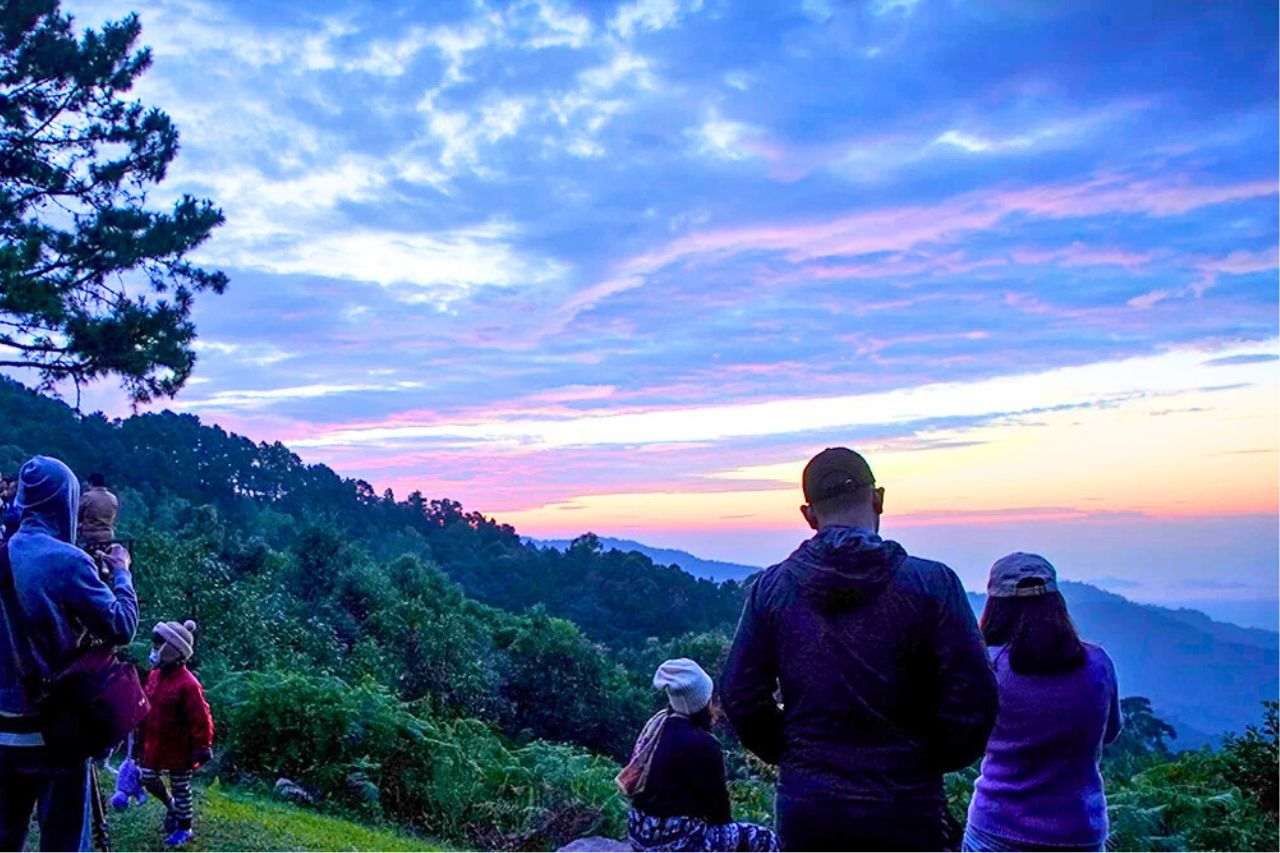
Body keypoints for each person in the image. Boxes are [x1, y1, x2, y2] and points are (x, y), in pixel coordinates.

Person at [720, 447, 998, 851]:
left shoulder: (772, 590)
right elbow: (976, 697)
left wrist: (797, 754)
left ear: (809, 515)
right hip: (907, 805)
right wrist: (925, 760)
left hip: (810, 806)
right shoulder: (932, 584)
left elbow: (740, 695)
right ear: (878, 498)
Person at [0, 455, 137, 851]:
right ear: (66, 501)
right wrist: (122, 572)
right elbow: (121, 626)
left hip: (3, 732)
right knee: (63, 840)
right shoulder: (67, 561)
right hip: (57, 734)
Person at [963, 553, 1122, 852]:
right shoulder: (1098, 663)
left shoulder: (988, 665)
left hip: (996, 828)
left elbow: (966, 738)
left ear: (995, 604)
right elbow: (1110, 732)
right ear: (1056, 602)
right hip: (1079, 830)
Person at [619, 658, 778, 852]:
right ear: (701, 701)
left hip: (639, 832)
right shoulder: (703, 744)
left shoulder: (658, 725)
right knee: (764, 839)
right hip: (671, 841)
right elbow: (719, 813)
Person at [138, 619, 214, 848]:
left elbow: (201, 717)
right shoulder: (154, 675)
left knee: (181, 786)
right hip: (155, 741)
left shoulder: (189, 684)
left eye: (157, 646)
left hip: (180, 747)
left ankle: (184, 827)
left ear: (171, 650)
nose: (153, 650)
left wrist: (202, 745)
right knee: (147, 776)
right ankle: (171, 806)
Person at [78, 472, 118, 546]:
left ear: (91, 483)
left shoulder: (87, 496)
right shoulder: (113, 498)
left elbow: (78, 515)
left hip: (89, 535)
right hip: (108, 535)